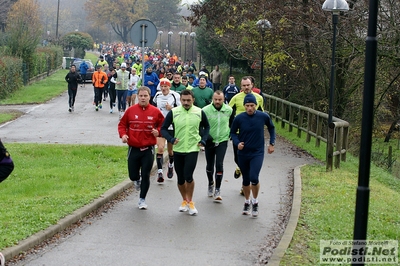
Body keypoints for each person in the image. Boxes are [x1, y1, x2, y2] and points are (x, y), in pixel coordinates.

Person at [161, 89, 210, 216]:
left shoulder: (199, 112)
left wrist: (203, 140)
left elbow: (207, 127)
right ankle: (184, 200)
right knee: (181, 178)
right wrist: (171, 139)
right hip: (178, 149)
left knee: (188, 175)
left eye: (188, 100)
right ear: (180, 100)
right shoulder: (174, 112)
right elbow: (163, 129)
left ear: (193, 100)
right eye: (183, 100)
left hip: (193, 148)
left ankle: (190, 201)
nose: (186, 103)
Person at [118, 86, 165, 209]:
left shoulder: (155, 111)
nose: (143, 98)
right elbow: (122, 125)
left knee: (146, 174)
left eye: (145, 96)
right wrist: (123, 135)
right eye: (141, 96)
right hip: (134, 148)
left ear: (150, 97)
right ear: (137, 96)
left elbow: (163, 125)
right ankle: (136, 180)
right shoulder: (130, 111)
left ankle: (142, 199)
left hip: (148, 149)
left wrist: (158, 132)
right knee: (133, 175)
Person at [230, 93, 275, 217]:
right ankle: (247, 201)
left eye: (252, 105)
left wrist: (272, 143)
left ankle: (255, 202)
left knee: (254, 178)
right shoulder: (239, 118)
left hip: (257, 152)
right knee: (245, 179)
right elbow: (233, 133)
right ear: (244, 106)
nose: (250, 108)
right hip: (243, 152)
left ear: (256, 105)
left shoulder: (263, 116)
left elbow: (271, 128)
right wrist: (237, 143)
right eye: (247, 105)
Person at [229, 76, 264, 181]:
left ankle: (245, 184)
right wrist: (230, 127)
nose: (246, 87)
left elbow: (262, 114)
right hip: (239, 132)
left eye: (248, 85)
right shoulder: (236, 98)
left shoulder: (259, 98)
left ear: (252, 85)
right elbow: (228, 112)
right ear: (241, 86)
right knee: (237, 158)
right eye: (244, 85)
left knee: (250, 160)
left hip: (253, 134)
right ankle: (239, 166)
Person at [202, 90, 234, 201]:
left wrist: (230, 134)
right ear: (212, 99)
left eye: (220, 100)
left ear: (223, 99)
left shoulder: (229, 110)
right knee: (210, 165)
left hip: (222, 140)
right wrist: (205, 137)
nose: (217, 101)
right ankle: (211, 183)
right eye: (215, 99)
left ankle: (218, 189)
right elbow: (200, 126)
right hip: (210, 141)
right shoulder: (205, 110)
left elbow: (232, 123)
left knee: (219, 164)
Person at [152, 78, 181, 182]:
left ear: (170, 87)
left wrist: (171, 109)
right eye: (162, 87)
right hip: (160, 125)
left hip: (172, 126)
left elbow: (181, 110)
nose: (163, 88)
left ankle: (170, 165)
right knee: (160, 148)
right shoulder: (157, 95)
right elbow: (153, 107)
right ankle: (160, 172)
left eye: (166, 87)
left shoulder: (175, 95)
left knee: (170, 151)